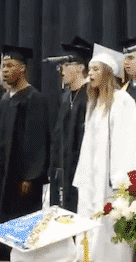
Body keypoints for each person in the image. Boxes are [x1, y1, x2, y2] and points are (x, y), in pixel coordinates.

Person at [73, 43, 136, 262]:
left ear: (108, 73)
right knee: (89, 227)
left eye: (95, 69)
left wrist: (121, 180)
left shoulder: (123, 101)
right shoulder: (94, 103)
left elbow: (127, 142)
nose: (90, 74)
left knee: (109, 230)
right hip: (91, 178)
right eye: (89, 70)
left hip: (111, 180)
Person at [0, 45, 50, 260]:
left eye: (10, 65)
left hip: (20, 182)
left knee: (19, 227)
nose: (4, 70)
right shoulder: (3, 101)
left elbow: (38, 141)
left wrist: (31, 176)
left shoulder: (33, 99)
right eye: (3, 65)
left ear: (22, 69)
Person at [48, 36, 92, 212]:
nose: (62, 70)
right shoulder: (65, 97)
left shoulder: (90, 95)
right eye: (61, 66)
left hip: (82, 171)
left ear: (81, 67)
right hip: (63, 170)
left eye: (66, 65)